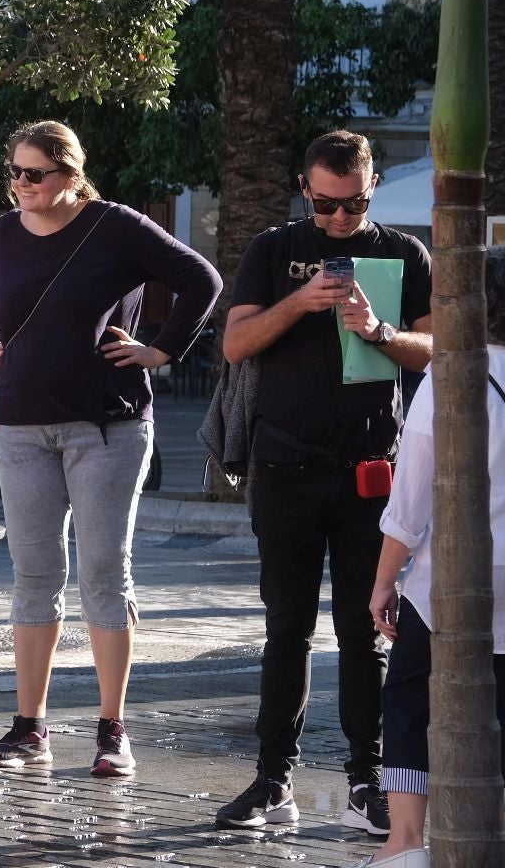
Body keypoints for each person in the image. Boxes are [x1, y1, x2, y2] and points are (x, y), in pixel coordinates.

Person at [0, 120, 219, 778]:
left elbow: (202, 280)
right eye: (13, 172)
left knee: (104, 574)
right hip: (20, 426)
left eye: (33, 174)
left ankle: (112, 730)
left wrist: (159, 351)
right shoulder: (3, 234)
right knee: (34, 579)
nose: (20, 184)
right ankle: (29, 728)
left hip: (107, 424)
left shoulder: (115, 226)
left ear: (69, 177)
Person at [213, 130, 432, 834]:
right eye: (328, 205)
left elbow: (435, 350)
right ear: (306, 190)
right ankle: (274, 777)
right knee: (286, 629)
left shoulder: (404, 252)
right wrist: (299, 303)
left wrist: (378, 330)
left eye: (356, 204)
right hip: (284, 467)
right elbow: (236, 342)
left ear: (373, 187)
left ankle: (367, 781)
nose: (341, 219)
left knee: (366, 630)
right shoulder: (274, 251)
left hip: (371, 471)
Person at [363, 246, 505, 868]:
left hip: (449, 582)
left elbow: (411, 499)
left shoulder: (450, 378)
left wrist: (382, 583)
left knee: (410, 703)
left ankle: (404, 842)